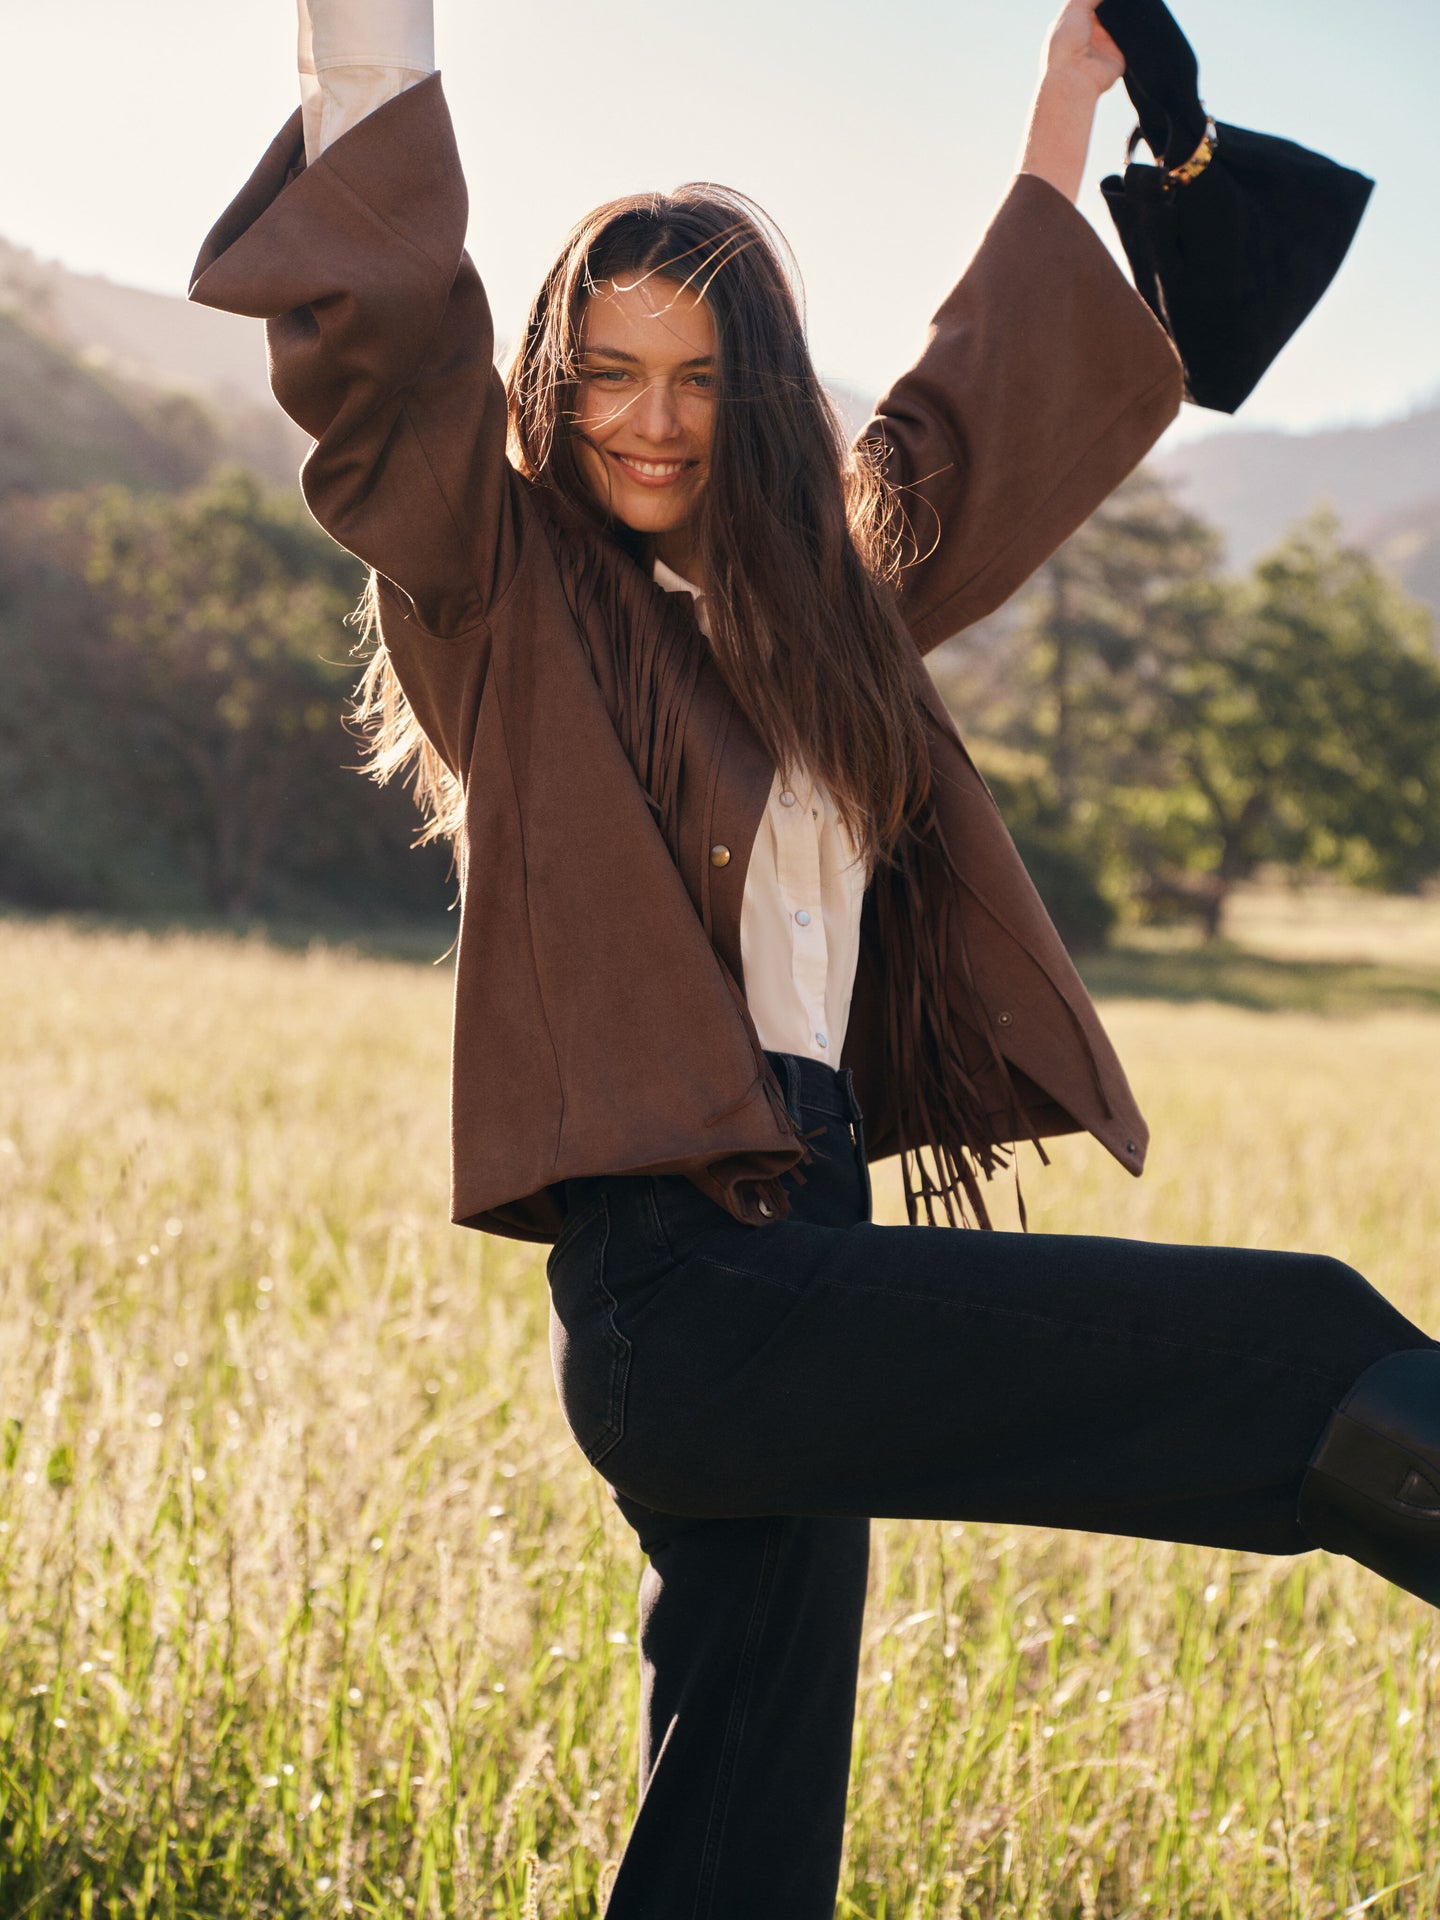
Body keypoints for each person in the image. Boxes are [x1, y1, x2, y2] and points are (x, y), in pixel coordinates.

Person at [191, 1, 1440, 1913]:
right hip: (682, 1282)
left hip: (810, 1240)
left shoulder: (823, 617)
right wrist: (371, 33)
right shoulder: (501, 589)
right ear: (550, 379)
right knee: (1303, 1348)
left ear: (756, 390)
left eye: (698, 377)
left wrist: (1061, 109)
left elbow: (960, 413)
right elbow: (388, 353)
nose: (652, 421)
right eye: (605, 375)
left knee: (747, 1829)